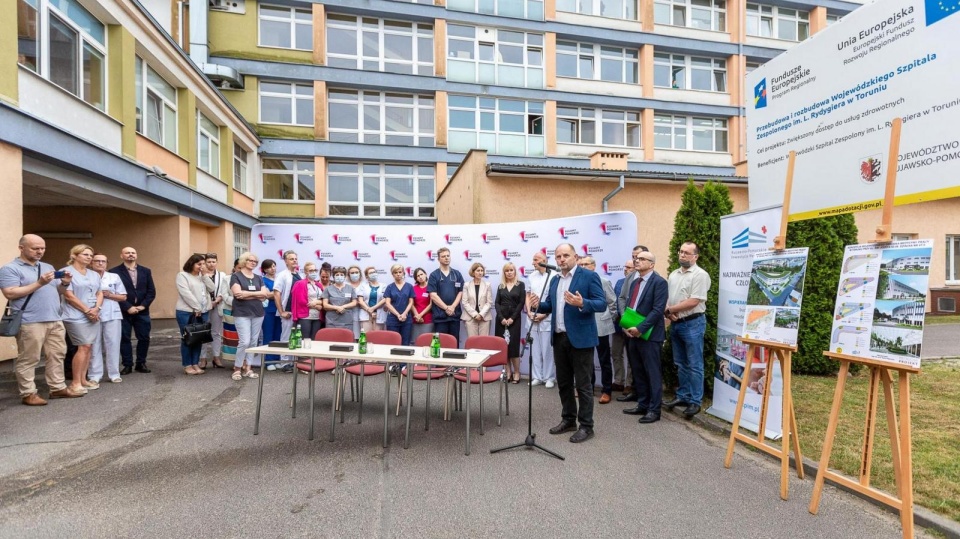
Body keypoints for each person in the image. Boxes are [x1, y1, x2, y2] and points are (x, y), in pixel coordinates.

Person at [527, 243, 607, 444]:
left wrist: (582, 303)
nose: (561, 260)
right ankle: (569, 419)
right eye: (558, 256)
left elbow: (601, 303)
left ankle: (586, 426)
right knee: (563, 383)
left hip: (581, 339)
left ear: (575, 257)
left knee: (583, 384)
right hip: (560, 337)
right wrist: (539, 304)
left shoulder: (588, 276)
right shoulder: (554, 280)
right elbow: (551, 306)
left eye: (565, 256)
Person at [0, 234, 81, 405]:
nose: (40, 251)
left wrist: (65, 284)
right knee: (29, 358)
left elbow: (55, 291)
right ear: (21, 248)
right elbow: (10, 293)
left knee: (57, 355)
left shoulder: (47, 266)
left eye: (42, 248)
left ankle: (57, 387)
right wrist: (39, 283)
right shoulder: (10, 269)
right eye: (35, 248)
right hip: (30, 321)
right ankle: (28, 393)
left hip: (54, 318)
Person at [619, 251, 668, 424]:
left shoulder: (659, 282)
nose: (637, 261)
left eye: (641, 259)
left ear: (652, 264)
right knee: (638, 370)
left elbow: (657, 310)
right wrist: (626, 326)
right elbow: (630, 307)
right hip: (632, 333)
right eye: (636, 259)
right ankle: (643, 403)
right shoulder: (634, 282)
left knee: (652, 372)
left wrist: (640, 328)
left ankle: (654, 410)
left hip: (650, 335)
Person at [664, 241, 711, 419]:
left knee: (694, 364)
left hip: (693, 323)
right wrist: (668, 313)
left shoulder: (700, 275)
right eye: (681, 251)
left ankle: (695, 401)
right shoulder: (674, 274)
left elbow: (694, 301)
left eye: (687, 253)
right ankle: (683, 396)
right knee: (680, 363)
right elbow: (669, 298)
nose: (682, 255)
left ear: (695, 257)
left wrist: (671, 310)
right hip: (676, 322)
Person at [60, 244, 103, 394]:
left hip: (93, 314)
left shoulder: (94, 274)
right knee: (82, 346)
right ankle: (75, 382)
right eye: (85, 254)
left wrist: (96, 309)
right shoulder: (65, 272)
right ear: (74, 255)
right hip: (75, 315)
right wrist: (87, 310)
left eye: (90, 255)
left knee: (88, 347)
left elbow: (100, 293)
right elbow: (69, 295)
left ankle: (84, 379)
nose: (89, 257)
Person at [109, 247, 155, 375]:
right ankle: (127, 364)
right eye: (127, 253)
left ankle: (141, 363)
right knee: (124, 338)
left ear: (136, 255)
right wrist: (127, 306)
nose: (130, 255)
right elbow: (113, 293)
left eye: (133, 252)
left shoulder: (146, 271)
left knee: (144, 337)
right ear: (121, 255)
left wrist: (143, 306)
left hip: (142, 311)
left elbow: (151, 291)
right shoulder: (114, 272)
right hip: (124, 310)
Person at [578, 256, 617, 404]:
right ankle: (589, 388)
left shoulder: (603, 281)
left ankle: (607, 390)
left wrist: (607, 319)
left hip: (601, 326)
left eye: (586, 264)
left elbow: (612, 303)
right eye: (580, 264)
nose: (583, 266)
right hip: (585, 326)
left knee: (604, 359)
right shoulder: (578, 282)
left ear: (594, 266)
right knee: (586, 360)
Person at [230, 252, 272, 381]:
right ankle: (237, 368)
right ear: (244, 261)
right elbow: (237, 294)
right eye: (250, 260)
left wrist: (247, 294)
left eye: (255, 261)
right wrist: (257, 294)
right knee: (244, 341)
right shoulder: (236, 276)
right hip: (242, 312)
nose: (253, 262)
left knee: (254, 342)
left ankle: (248, 367)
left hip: (258, 312)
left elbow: (266, 294)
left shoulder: (258, 278)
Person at [616, 245, 650, 403]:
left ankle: (645, 397)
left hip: (644, 328)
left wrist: (640, 326)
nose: (636, 259)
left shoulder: (654, 278)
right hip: (628, 326)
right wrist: (625, 320)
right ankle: (635, 392)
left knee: (644, 364)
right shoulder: (630, 277)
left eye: (639, 256)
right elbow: (622, 298)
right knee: (633, 361)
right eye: (633, 256)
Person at [89, 253, 126, 384]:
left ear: (106, 263)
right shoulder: (87, 276)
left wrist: (108, 295)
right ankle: (94, 375)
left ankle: (114, 373)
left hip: (112, 313)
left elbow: (123, 297)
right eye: (97, 261)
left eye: (103, 261)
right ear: (91, 263)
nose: (100, 263)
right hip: (92, 314)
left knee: (113, 343)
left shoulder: (113, 277)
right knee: (94, 345)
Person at [175, 254, 211, 375]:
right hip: (186, 312)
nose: (201, 266)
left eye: (203, 264)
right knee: (187, 338)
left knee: (198, 338)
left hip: (203, 312)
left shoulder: (202, 277)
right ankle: (187, 365)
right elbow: (186, 293)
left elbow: (212, 288)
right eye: (199, 264)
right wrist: (197, 307)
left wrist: (205, 275)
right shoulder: (182, 275)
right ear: (191, 263)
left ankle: (195, 363)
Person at [526, 251, 556, 388]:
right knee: (535, 349)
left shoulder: (554, 276)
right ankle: (537, 376)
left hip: (547, 318)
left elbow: (554, 300)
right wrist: (528, 312)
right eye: (532, 259)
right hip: (532, 318)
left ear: (544, 260)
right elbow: (528, 295)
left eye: (536, 259)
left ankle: (549, 377)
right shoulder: (531, 276)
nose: (533, 262)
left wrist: (543, 315)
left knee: (547, 350)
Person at [495, 262, 525, 384]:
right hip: (501, 320)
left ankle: (517, 372)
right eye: (507, 270)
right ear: (504, 272)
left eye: (511, 270)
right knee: (504, 347)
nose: (509, 272)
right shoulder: (501, 286)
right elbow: (497, 303)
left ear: (515, 271)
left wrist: (512, 318)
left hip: (514, 319)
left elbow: (521, 303)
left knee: (513, 347)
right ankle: (508, 372)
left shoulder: (520, 285)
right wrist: (501, 317)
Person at [428, 247, 464, 346]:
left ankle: (454, 362)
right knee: (441, 344)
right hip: (440, 316)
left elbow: (460, 292)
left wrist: (452, 307)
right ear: (439, 259)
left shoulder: (457, 274)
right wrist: (446, 308)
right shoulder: (434, 275)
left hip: (454, 315)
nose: (446, 258)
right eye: (443, 256)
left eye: (448, 256)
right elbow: (433, 295)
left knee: (454, 343)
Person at [200, 253, 229, 369]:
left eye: (213, 262)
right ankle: (203, 358)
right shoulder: (200, 274)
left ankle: (216, 357)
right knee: (202, 332)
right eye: (209, 262)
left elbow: (224, 290)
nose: (211, 264)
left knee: (216, 333)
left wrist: (216, 301)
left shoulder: (222, 275)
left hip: (217, 305)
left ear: (217, 262)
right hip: (203, 307)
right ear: (205, 263)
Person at [272, 250, 300, 370]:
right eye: (291, 258)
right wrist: (282, 311)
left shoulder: (299, 274)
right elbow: (276, 294)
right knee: (286, 336)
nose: (294, 260)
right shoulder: (282, 275)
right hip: (287, 311)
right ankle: (284, 362)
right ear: (285, 261)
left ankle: (293, 362)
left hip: (298, 312)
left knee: (296, 337)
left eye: (295, 258)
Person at [611, 258, 635, 394]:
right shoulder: (619, 282)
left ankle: (629, 383)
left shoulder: (637, 283)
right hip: (618, 324)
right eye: (625, 267)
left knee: (631, 355)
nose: (626, 269)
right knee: (616, 353)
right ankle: (618, 381)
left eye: (629, 267)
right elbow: (615, 302)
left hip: (632, 325)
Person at [290, 261, 324, 341]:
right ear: (305, 272)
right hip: (305, 316)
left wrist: (319, 304)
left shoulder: (318, 284)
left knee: (314, 340)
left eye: (315, 270)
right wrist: (317, 306)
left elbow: (324, 299)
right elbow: (300, 301)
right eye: (311, 270)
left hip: (317, 317)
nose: (314, 272)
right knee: (304, 340)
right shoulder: (300, 283)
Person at [383, 263, 415, 346]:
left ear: (403, 273)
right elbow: (387, 303)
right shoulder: (389, 287)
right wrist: (398, 315)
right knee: (393, 343)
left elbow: (411, 302)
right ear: (392, 274)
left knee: (405, 343)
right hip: (393, 319)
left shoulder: (409, 286)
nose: (398, 274)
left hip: (406, 318)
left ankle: (404, 360)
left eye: (400, 272)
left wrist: (404, 314)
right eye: (395, 272)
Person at [461, 262, 492, 337]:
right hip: (470, 317)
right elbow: (465, 302)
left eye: (482, 270)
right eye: (478, 270)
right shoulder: (466, 285)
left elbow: (489, 302)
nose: (480, 273)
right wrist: (475, 315)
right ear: (473, 272)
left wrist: (481, 314)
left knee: (484, 342)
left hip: (484, 318)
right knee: (472, 341)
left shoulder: (487, 285)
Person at [322, 266, 358, 331]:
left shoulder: (350, 288)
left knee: (346, 339)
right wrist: (337, 307)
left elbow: (354, 302)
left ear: (345, 276)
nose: (339, 276)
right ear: (333, 276)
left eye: (341, 275)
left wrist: (343, 306)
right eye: (337, 275)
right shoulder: (328, 289)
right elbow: (325, 305)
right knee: (331, 339)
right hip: (332, 321)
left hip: (347, 320)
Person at [260, 259, 282, 365]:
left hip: (280, 310)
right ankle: (268, 361)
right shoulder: (263, 280)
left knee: (278, 335)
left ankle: (277, 358)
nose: (273, 269)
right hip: (268, 310)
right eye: (270, 267)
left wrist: (275, 293)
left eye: (274, 266)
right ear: (264, 269)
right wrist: (279, 293)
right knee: (268, 334)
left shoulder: (279, 279)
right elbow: (267, 295)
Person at [357, 266, 386, 334]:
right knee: (365, 337)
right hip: (366, 314)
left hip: (379, 314)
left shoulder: (383, 286)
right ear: (367, 276)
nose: (373, 274)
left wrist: (373, 308)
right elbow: (360, 301)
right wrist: (368, 310)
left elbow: (385, 299)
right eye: (371, 273)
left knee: (378, 337)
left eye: (374, 272)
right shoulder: (363, 286)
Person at [410, 267, 433, 342]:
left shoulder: (431, 287)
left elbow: (431, 304)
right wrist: (417, 315)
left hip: (427, 319)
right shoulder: (413, 288)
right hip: (415, 319)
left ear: (426, 274)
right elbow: (411, 304)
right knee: (415, 342)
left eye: (421, 274)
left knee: (427, 342)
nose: (420, 277)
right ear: (416, 279)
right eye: (418, 276)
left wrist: (421, 315)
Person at [347, 264, 362, 335]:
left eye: (356, 272)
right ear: (348, 275)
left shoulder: (365, 285)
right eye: (352, 273)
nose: (354, 274)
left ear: (360, 274)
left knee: (360, 335)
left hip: (362, 314)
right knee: (349, 335)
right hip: (347, 313)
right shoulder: (345, 285)